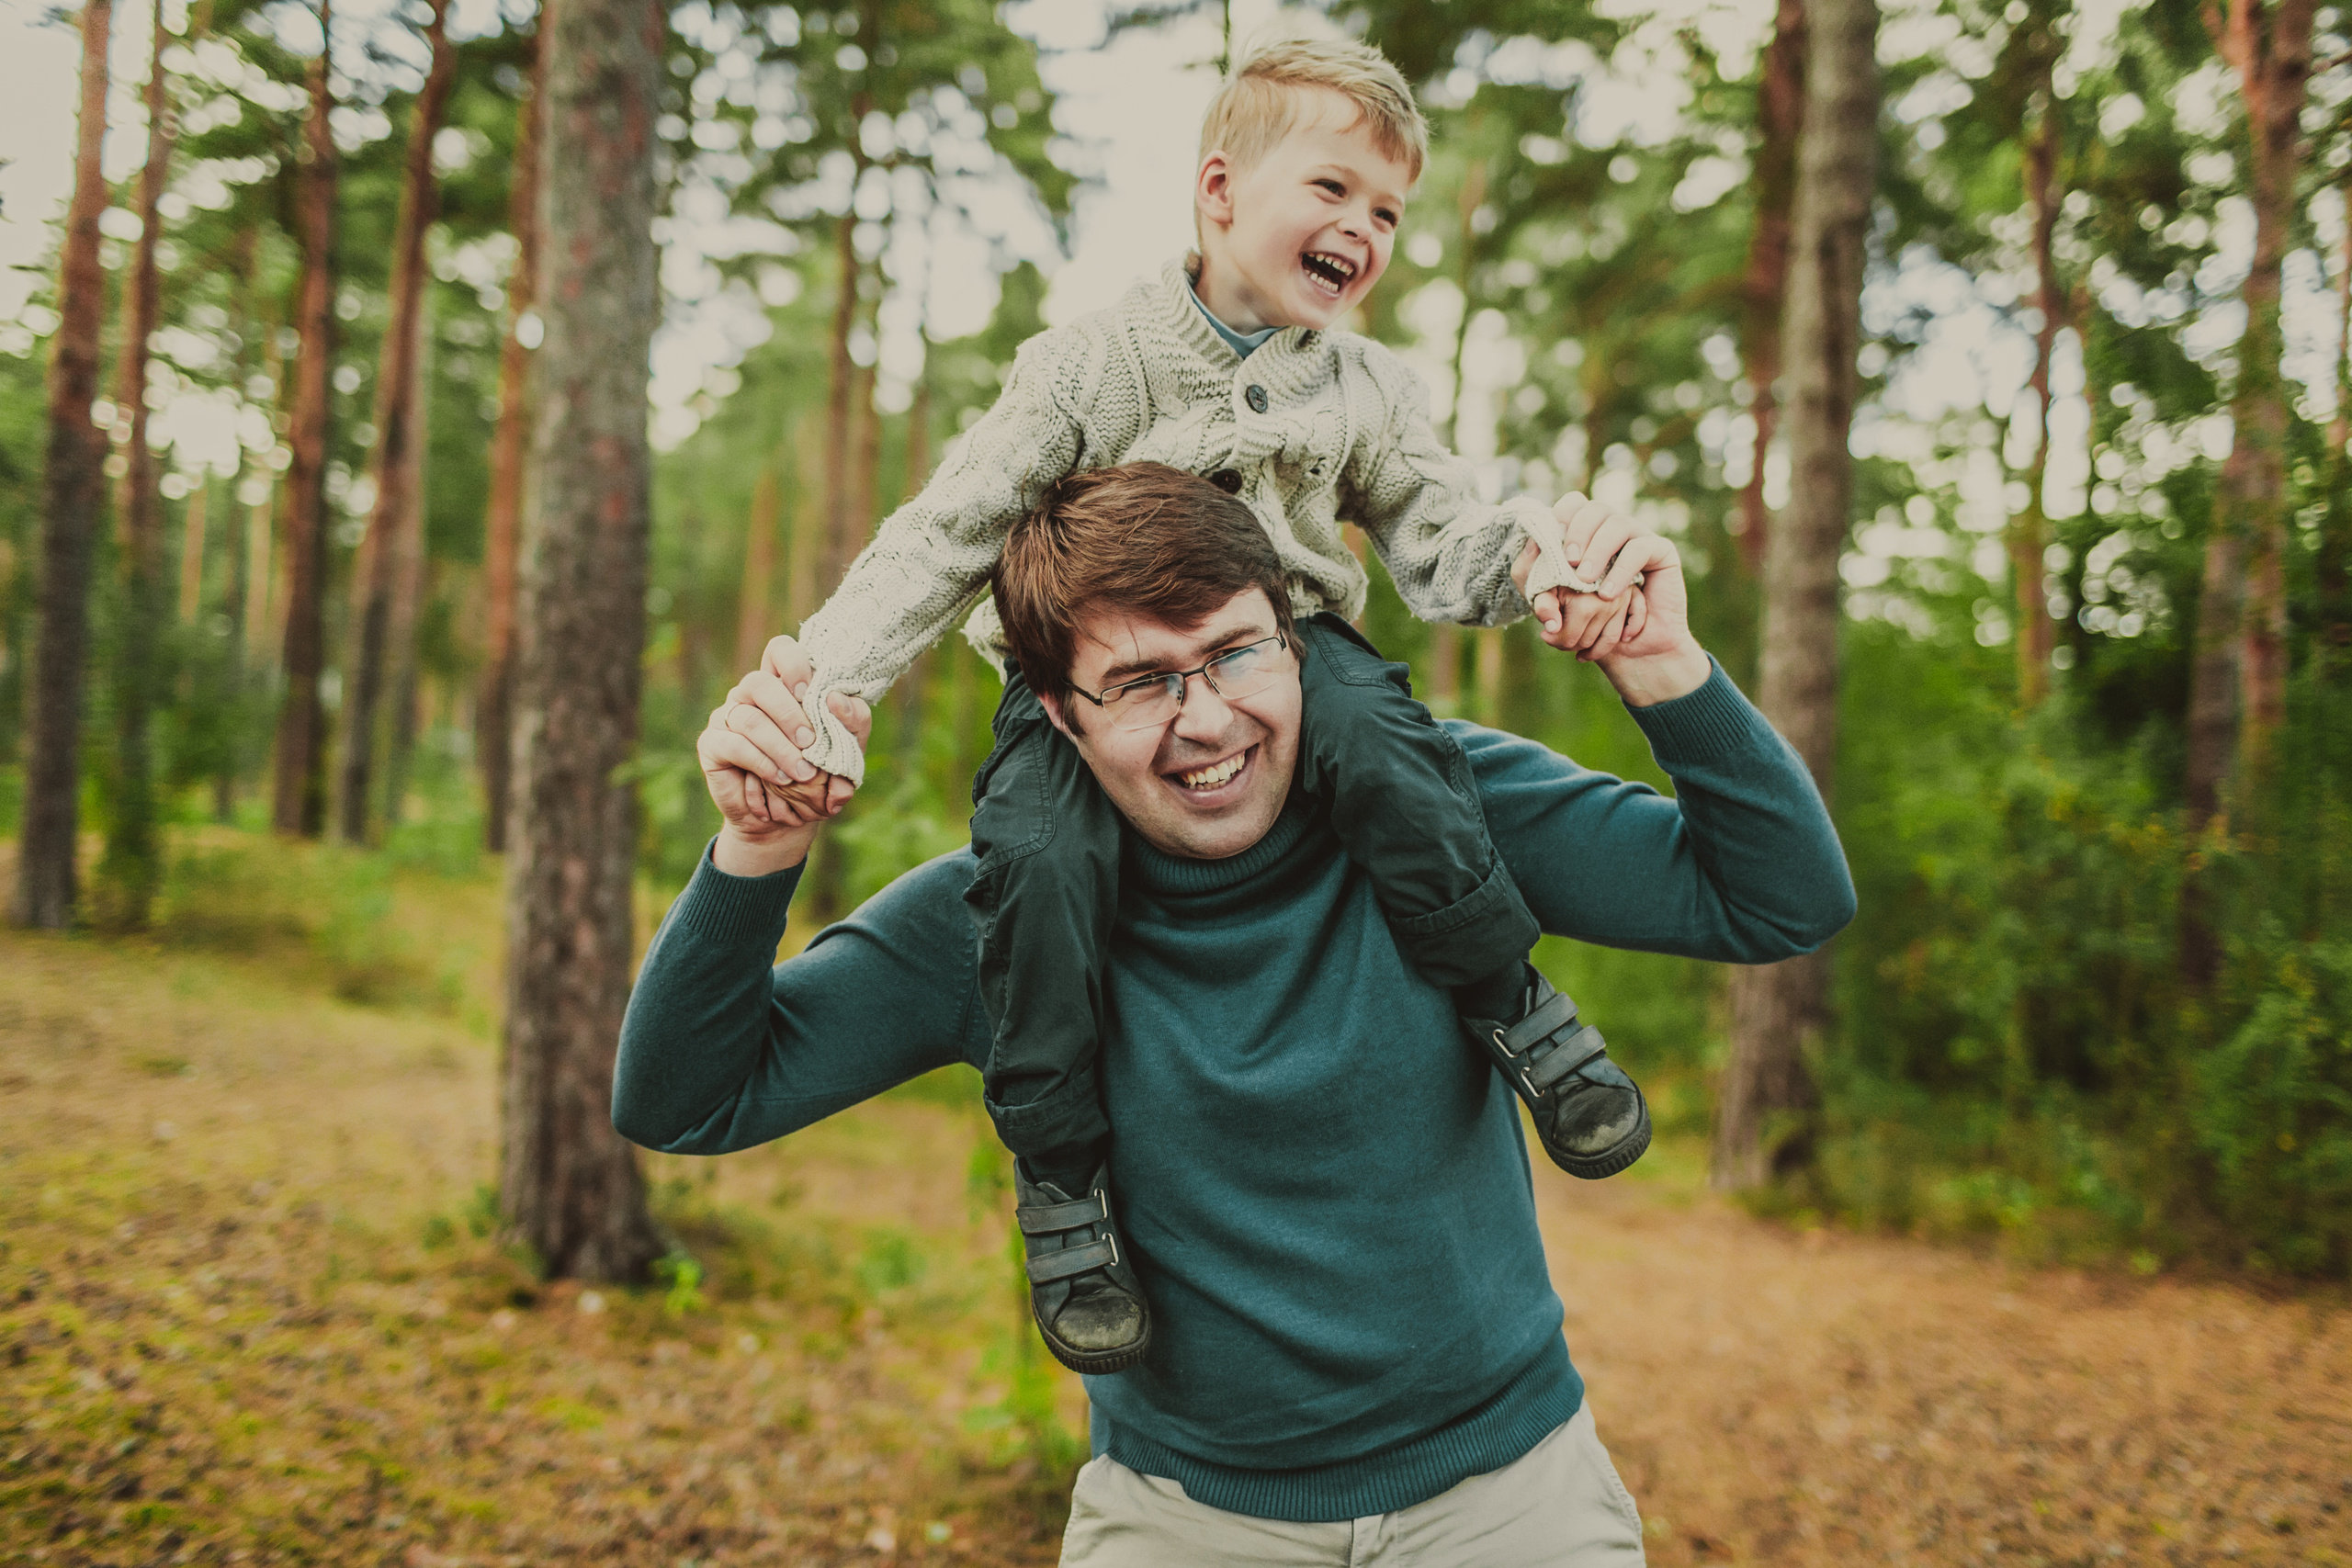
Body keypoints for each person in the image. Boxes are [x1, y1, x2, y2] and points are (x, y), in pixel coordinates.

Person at [619, 463, 1855, 1565]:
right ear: (1057, 712)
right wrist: (757, 848)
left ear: (1294, 639)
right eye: (1142, 682)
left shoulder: (1439, 808)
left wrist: (1661, 667)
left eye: (1234, 653)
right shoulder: (996, 923)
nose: (1206, 719)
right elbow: (687, 1097)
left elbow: (1780, 900)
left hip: (1510, 1499)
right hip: (1184, 1520)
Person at [734, 37, 1660, 1376]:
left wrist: (1537, 562)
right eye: (1333, 190)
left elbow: (1441, 543)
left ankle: (1510, 1001)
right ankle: (1062, 1176)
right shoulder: (1089, 365)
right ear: (1219, 192)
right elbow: (949, 535)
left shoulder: (1370, 389)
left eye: (1388, 213)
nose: (1362, 229)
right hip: (1096, 683)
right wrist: (820, 687)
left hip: (1295, 656)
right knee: (1040, 866)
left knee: (1397, 758)